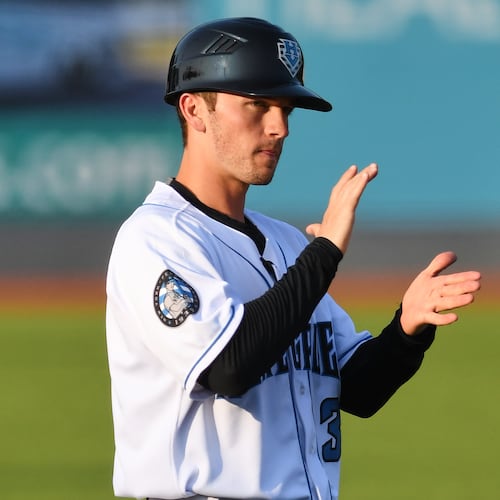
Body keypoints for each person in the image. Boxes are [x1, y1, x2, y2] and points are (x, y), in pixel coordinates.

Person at [105, 17, 481, 500]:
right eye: (258, 106)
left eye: (285, 109)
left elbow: (358, 389)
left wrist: (406, 330)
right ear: (194, 108)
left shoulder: (284, 243)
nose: (279, 127)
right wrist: (325, 253)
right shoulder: (156, 239)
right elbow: (228, 365)